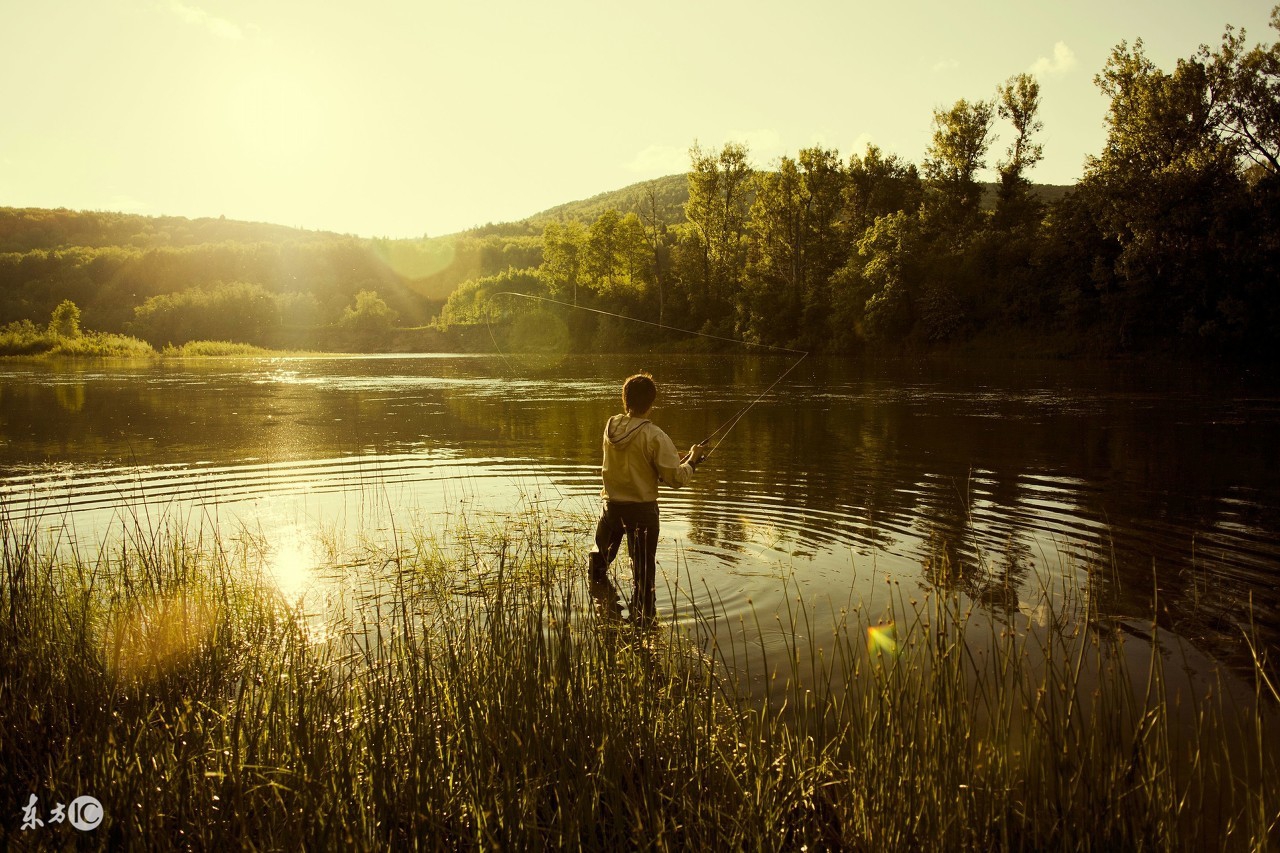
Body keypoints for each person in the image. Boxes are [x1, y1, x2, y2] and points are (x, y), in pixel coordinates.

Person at [589, 371, 707, 624]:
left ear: (624, 399)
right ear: (651, 402)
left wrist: (675, 459)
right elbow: (676, 479)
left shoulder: (611, 426)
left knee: (598, 568)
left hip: (611, 509)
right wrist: (693, 460)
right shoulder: (655, 435)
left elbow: (635, 461)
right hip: (642, 513)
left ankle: (602, 612)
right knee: (643, 580)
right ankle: (643, 626)